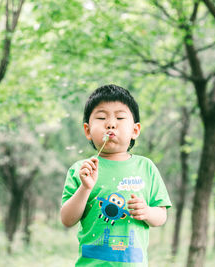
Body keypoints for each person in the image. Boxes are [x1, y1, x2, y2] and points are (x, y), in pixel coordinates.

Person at [61, 84, 171, 266]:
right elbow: (67, 219)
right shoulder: (82, 170)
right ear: (87, 130)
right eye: (102, 117)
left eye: (120, 117)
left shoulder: (146, 167)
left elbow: (161, 216)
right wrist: (85, 187)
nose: (111, 124)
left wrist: (146, 212)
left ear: (135, 130)